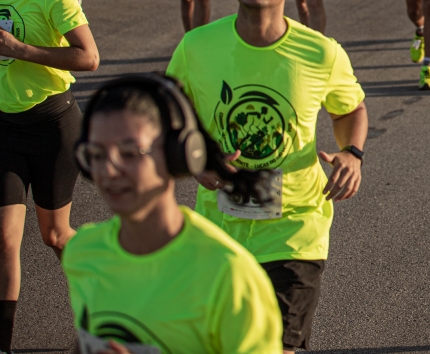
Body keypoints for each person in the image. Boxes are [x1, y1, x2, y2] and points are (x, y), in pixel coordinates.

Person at [166, 0, 368, 354]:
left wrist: (352, 153)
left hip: (295, 230)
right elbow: (170, 119)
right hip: (220, 230)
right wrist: (195, 158)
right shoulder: (196, 47)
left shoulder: (321, 53)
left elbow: (349, 109)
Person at [63, 74, 283, 353]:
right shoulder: (83, 251)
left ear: (177, 154)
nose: (108, 170)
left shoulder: (229, 275)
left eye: (129, 152)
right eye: (96, 154)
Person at [0, 0, 100, 354]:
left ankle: (106, 300)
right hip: (4, 128)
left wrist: (22, 50)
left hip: (52, 125)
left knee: (55, 235)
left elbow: (88, 57)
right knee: (4, 240)